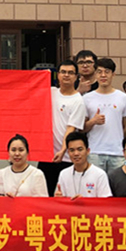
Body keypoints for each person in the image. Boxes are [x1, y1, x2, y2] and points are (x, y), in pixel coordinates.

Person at [41, 59, 86, 194]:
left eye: (70, 73)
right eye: (63, 72)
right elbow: (28, 90)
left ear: (76, 77)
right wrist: (42, 76)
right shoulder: (50, 92)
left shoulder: (78, 101)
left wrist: (62, 150)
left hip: (65, 156)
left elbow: (71, 129)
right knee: (45, 192)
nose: (66, 75)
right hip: (46, 154)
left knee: (65, 194)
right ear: (58, 75)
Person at [82, 58, 126, 174]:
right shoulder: (87, 98)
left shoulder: (123, 98)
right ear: (95, 74)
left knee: (117, 185)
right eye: (99, 72)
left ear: (113, 74)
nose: (103, 75)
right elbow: (82, 129)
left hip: (117, 152)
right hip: (94, 152)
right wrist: (93, 121)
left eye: (107, 72)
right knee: (94, 184)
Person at [54, 131, 111, 198]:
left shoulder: (100, 175)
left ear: (88, 151)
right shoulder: (63, 174)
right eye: (72, 150)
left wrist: (83, 201)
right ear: (68, 152)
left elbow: (105, 202)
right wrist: (58, 198)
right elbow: (59, 199)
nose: (76, 153)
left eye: (80, 149)